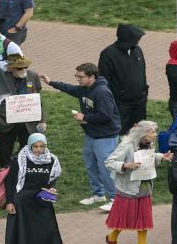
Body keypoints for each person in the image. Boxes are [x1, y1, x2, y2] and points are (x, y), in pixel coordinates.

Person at [41, 64, 121, 211]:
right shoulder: (85, 88)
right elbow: (70, 88)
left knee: (106, 167)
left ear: (92, 77)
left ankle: (115, 198)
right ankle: (98, 194)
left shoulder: (102, 92)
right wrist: (51, 82)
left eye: (80, 76)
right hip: (92, 134)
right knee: (91, 164)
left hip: (105, 136)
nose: (78, 79)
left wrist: (84, 117)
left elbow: (106, 116)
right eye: (76, 76)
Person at [4, 133, 82, 244]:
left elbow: (52, 179)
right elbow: (9, 182)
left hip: (42, 199)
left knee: (51, 230)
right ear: (30, 146)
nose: (39, 150)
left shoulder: (51, 160)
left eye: (42, 146)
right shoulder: (20, 159)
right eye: (36, 146)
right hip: (23, 201)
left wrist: (52, 188)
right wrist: (9, 202)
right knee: (25, 232)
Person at [106, 121, 163, 244]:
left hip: (144, 188)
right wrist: (126, 165)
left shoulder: (149, 144)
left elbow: (147, 158)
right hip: (128, 189)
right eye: (151, 132)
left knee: (144, 218)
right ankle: (111, 238)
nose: (155, 134)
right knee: (124, 217)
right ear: (142, 133)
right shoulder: (126, 146)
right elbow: (109, 162)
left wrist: (161, 157)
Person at [0, 54, 47, 168]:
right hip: (6, 122)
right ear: (10, 68)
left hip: (28, 123)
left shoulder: (33, 76)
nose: (23, 70)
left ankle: (24, 174)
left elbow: (37, 99)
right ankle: (5, 178)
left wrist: (42, 120)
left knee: (27, 151)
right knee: (5, 154)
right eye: (19, 68)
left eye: (25, 67)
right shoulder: (0, 77)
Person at [98, 24, 148, 134]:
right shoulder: (108, 54)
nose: (139, 40)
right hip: (121, 103)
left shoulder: (137, 50)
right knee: (120, 131)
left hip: (139, 101)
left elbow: (142, 72)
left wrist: (144, 90)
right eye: (137, 38)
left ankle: (140, 151)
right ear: (127, 38)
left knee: (140, 131)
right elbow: (104, 80)